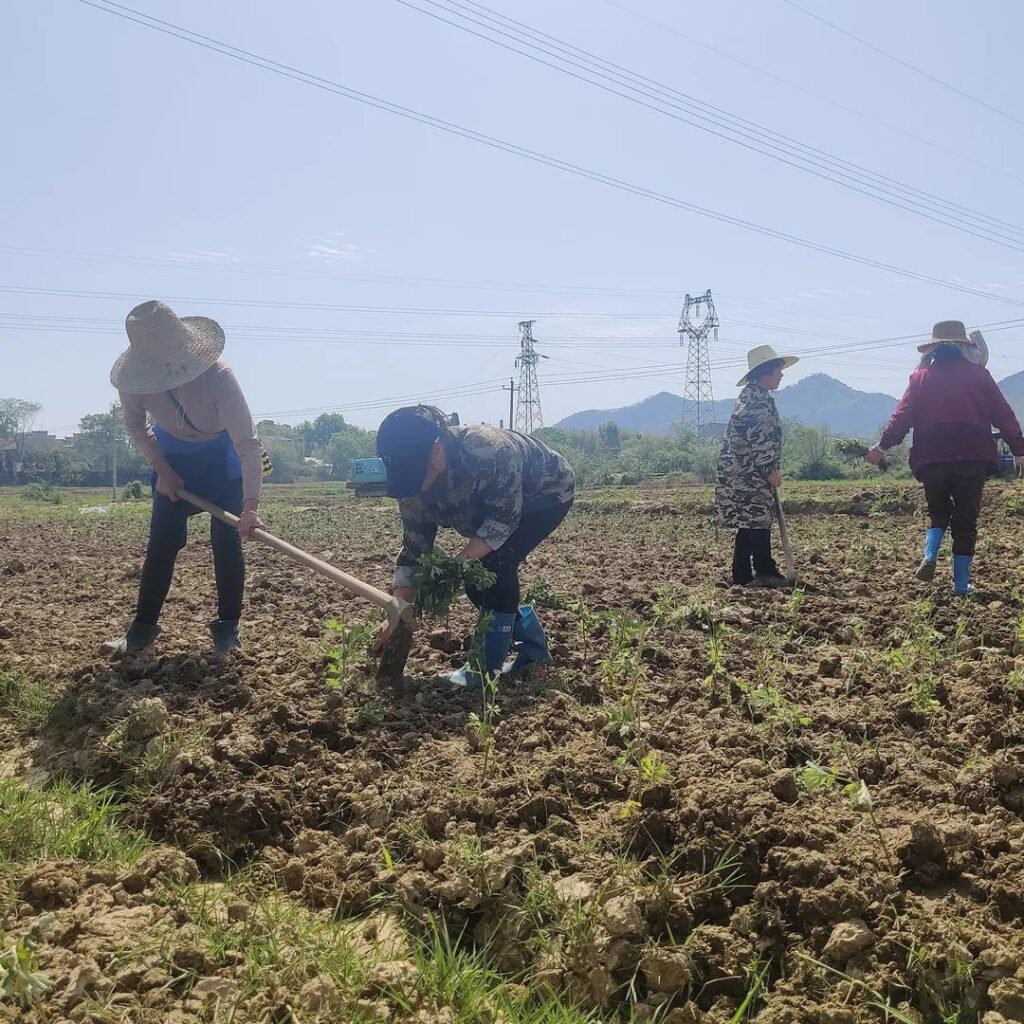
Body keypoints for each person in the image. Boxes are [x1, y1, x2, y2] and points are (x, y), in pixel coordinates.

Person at [104, 300, 268, 655]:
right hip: (172, 462)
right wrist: (162, 469)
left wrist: (250, 506)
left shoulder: (218, 377)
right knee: (161, 546)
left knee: (226, 545)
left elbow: (248, 445)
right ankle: (141, 632)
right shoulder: (135, 382)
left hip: (220, 462)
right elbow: (136, 426)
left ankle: (227, 629)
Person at [374, 405, 575, 687]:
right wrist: (397, 610)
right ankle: (532, 650)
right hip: (490, 506)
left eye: (415, 470)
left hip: (544, 495)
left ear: (437, 449)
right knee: (477, 575)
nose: (413, 485)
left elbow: (500, 525)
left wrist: (453, 570)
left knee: (491, 567)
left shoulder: (487, 453)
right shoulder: (412, 486)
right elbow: (414, 552)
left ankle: (483, 669)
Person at [865, 320, 1024, 596]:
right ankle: (961, 585)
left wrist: (881, 448)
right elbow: (1004, 414)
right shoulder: (979, 377)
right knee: (966, 520)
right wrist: (1019, 449)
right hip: (972, 457)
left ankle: (929, 555)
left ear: (933, 349)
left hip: (932, 457)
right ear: (963, 347)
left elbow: (900, 418)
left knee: (936, 510)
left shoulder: (919, 379)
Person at [715, 344, 799, 587]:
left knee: (748, 521)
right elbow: (759, 439)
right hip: (750, 475)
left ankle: (742, 575)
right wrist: (770, 470)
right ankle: (763, 571)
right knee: (757, 520)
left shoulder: (751, 396)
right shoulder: (758, 401)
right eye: (778, 370)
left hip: (741, 473)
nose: (781, 375)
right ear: (766, 372)